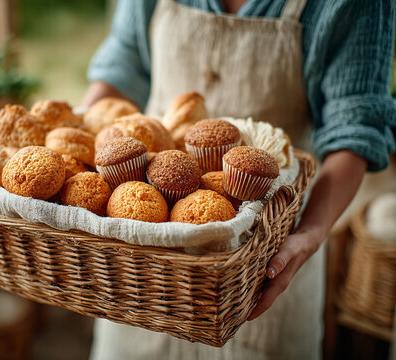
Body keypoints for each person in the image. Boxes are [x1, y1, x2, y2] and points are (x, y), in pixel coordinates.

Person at [81, 0, 396, 359]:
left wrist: (310, 234)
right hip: (140, 275)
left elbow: (355, 129)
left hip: (267, 262)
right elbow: (122, 68)